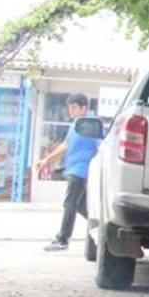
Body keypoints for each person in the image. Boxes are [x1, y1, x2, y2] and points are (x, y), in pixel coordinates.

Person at [36, 93, 99, 252]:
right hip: (74, 170)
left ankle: (62, 239)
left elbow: (100, 145)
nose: (71, 111)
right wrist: (46, 160)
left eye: (74, 107)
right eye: (70, 107)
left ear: (84, 108)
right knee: (81, 207)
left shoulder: (91, 124)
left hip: (80, 171)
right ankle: (101, 227)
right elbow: (65, 145)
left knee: (69, 204)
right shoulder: (76, 124)